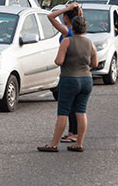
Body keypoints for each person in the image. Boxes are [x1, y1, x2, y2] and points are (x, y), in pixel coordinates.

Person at [39, 16, 98, 152]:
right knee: (81, 111)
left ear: (72, 27)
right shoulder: (90, 43)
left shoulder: (66, 41)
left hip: (69, 78)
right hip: (86, 80)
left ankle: (53, 144)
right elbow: (94, 63)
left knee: (63, 112)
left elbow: (59, 61)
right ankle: (79, 143)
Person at [47, 2, 83, 143]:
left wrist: (67, 8)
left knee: (71, 106)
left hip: (68, 71)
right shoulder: (78, 30)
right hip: (78, 70)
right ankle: (72, 132)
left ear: (67, 17)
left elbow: (50, 17)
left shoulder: (67, 32)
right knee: (75, 106)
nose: (62, 17)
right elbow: (80, 17)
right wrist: (76, 9)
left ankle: (74, 133)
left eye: (64, 15)